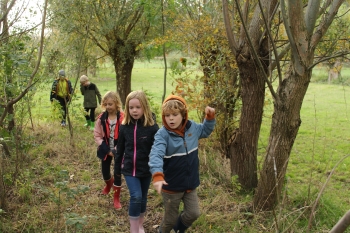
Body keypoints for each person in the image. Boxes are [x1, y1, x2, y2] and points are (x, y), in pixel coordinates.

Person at [148, 95, 216, 233]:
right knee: (169, 220)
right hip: (171, 186)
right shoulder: (162, 135)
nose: (171, 118)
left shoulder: (193, 128)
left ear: (183, 114)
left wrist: (209, 118)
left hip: (190, 183)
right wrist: (157, 174)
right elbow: (156, 154)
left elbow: (205, 131)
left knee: (194, 213)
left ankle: (178, 229)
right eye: (167, 115)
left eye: (174, 114)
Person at [114, 90, 159, 233]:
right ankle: (134, 230)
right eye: (131, 107)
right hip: (129, 169)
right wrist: (116, 173)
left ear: (144, 107)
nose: (134, 110)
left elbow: (158, 150)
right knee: (136, 196)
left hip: (146, 169)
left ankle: (140, 225)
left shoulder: (152, 127)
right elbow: (119, 150)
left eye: (138, 107)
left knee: (143, 198)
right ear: (127, 108)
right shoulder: (124, 127)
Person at [94, 91, 125, 209]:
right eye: (106, 104)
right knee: (105, 172)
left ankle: (116, 197)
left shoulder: (123, 118)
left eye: (110, 104)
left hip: (119, 150)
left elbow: (124, 137)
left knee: (118, 173)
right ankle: (108, 184)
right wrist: (107, 150)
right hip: (105, 149)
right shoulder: (101, 119)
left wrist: (116, 150)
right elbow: (97, 135)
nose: (108, 107)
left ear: (116, 104)